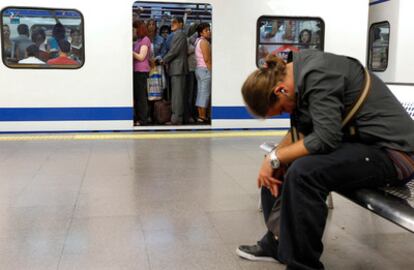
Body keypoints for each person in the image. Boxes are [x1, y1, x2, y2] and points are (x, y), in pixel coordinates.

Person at [237, 50, 414, 270]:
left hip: (395, 155)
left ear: (280, 90)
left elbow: (326, 138)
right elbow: (301, 131)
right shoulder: (299, 78)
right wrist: (272, 161)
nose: (286, 112)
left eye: (282, 109)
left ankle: (302, 265)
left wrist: (275, 157)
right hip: (364, 146)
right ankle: (277, 241)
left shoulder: (320, 75)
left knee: (304, 172)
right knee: (279, 167)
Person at [161, 17, 188, 125]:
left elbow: (174, 51)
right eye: (171, 22)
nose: (172, 24)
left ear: (181, 24)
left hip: (178, 68)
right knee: (178, 94)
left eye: (175, 22)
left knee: (177, 95)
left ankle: (176, 119)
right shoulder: (177, 34)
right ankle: (177, 117)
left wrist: (163, 60)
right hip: (177, 68)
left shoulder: (180, 34)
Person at [132, 20, 151, 125]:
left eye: (134, 28)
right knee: (138, 96)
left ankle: (143, 119)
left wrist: (130, 51)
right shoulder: (138, 40)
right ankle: (139, 117)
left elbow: (141, 57)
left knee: (141, 97)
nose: (133, 30)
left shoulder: (145, 40)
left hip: (142, 71)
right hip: (136, 71)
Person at [194, 23, 212, 123]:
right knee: (205, 93)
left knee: (201, 92)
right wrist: (211, 71)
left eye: (209, 29)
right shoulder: (204, 42)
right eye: (206, 30)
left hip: (199, 69)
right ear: (201, 32)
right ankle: (202, 116)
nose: (209, 32)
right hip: (205, 70)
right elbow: (207, 59)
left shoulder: (198, 41)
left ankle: (201, 115)